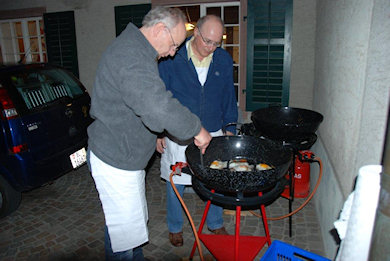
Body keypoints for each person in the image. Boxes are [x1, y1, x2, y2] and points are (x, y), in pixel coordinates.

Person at [87, 7, 212, 261]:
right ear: (159, 30)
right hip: (116, 159)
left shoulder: (138, 50)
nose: (173, 52)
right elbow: (157, 107)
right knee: (125, 237)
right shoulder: (131, 56)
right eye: (174, 44)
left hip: (125, 158)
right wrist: (196, 129)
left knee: (130, 228)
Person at [156, 15, 238, 247]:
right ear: (196, 33)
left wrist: (230, 127)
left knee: (217, 180)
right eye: (207, 41)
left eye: (216, 43)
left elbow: (228, 96)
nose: (211, 48)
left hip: (212, 132)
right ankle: (175, 226)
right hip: (178, 132)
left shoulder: (222, 59)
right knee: (177, 181)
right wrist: (159, 132)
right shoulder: (173, 57)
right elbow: (160, 98)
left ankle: (214, 222)